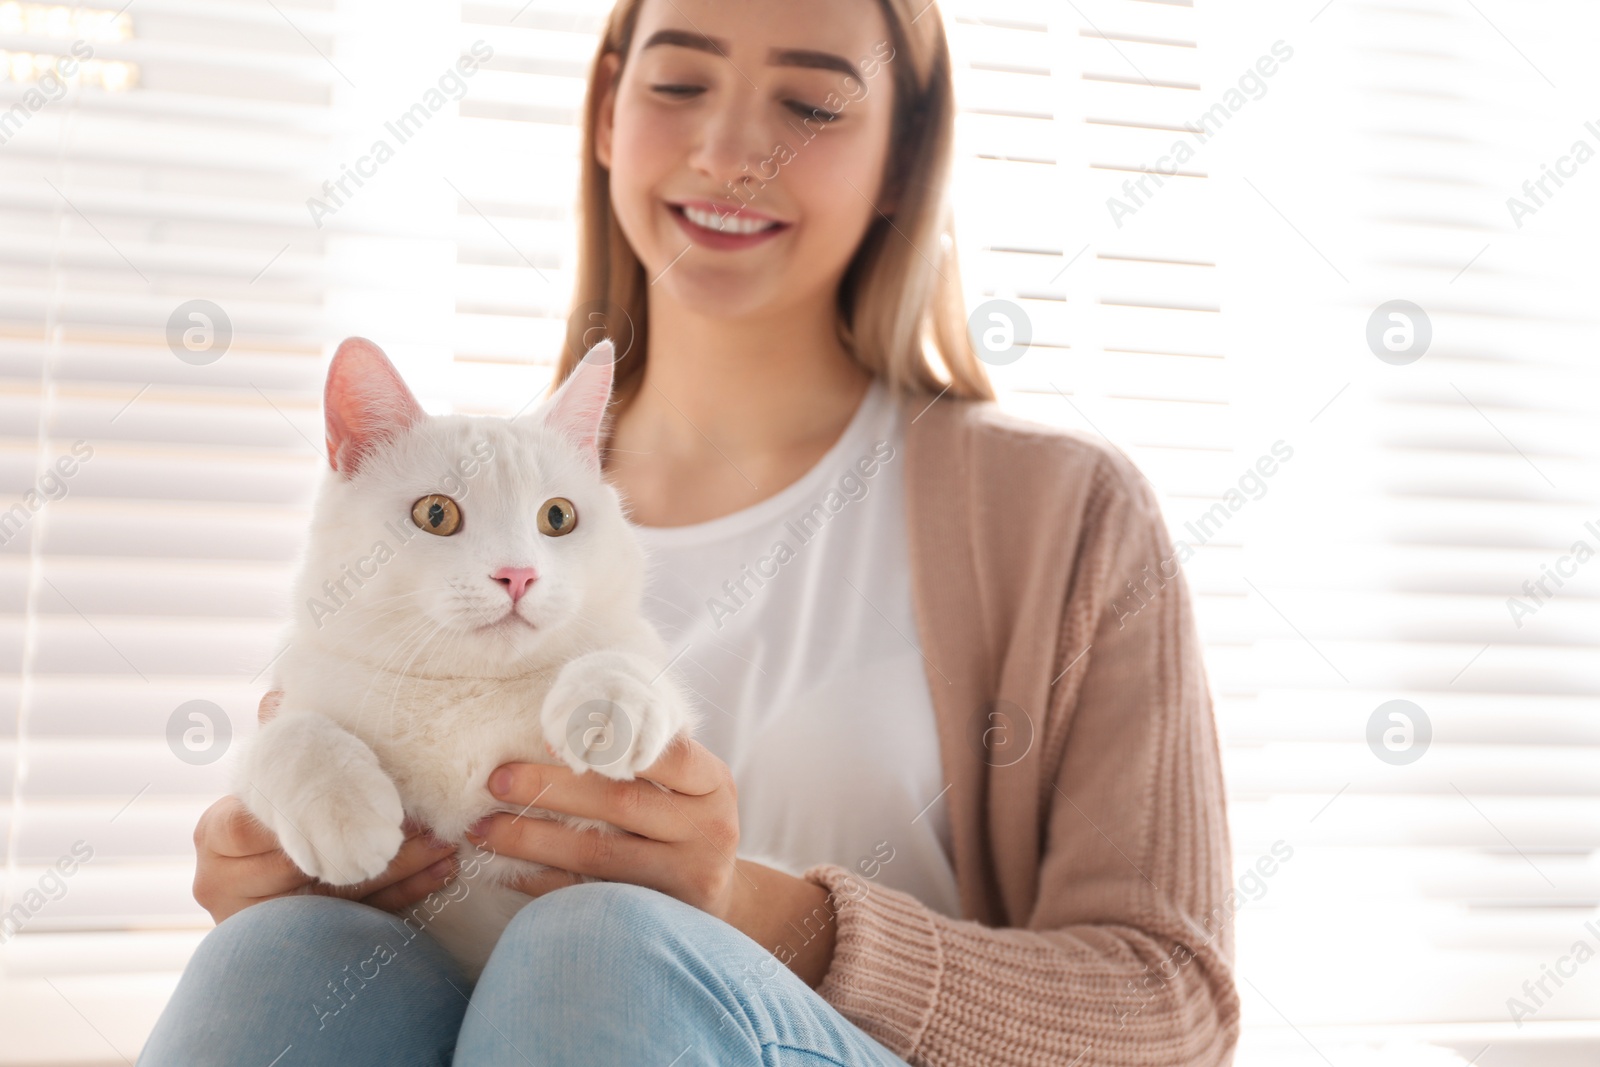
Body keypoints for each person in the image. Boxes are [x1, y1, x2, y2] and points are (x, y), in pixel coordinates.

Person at [139, 0, 1240, 1064]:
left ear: (904, 159)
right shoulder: (461, 502)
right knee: (285, 953)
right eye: (678, 83)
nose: (730, 153)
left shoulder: (1061, 516)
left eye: (809, 104)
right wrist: (280, 879)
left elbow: (1173, 1010)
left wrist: (760, 912)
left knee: (595, 947)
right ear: (608, 111)